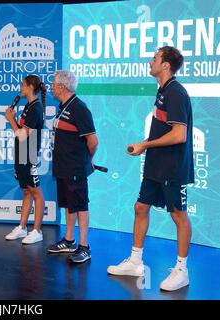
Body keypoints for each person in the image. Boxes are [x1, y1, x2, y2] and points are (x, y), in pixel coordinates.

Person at [107, 46, 194, 292]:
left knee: (178, 214)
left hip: (173, 167)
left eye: (155, 58)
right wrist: (147, 147)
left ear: (165, 65)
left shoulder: (176, 92)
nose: (150, 61)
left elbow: (179, 135)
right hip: (156, 164)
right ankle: (135, 261)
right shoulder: (163, 91)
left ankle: (182, 270)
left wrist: (145, 144)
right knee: (140, 207)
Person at [47, 70, 99, 263]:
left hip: (75, 167)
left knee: (80, 205)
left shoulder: (79, 108)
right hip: (63, 166)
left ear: (62, 86)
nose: (51, 86)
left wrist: (86, 159)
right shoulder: (63, 106)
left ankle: (84, 246)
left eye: (53, 83)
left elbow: (93, 141)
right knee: (69, 204)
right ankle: (69, 240)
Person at [4, 75, 46, 244]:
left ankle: (37, 230)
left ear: (30, 86)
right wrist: (14, 118)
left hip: (29, 153)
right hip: (21, 152)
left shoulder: (36, 107)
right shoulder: (29, 105)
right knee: (26, 190)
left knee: (36, 191)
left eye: (22, 85)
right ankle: (22, 228)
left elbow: (22, 135)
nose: (20, 88)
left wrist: (11, 120)